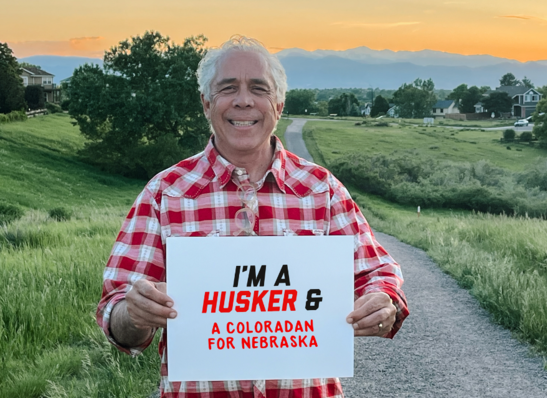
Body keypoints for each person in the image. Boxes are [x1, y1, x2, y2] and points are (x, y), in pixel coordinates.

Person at [96, 35, 409, 398]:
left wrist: (384, 301)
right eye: (228, 88)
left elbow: (378, 273)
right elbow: (116, 315)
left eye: (258, 88)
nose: (244, 100)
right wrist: (133, 314)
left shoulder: (322, 190)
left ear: (278, 104)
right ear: (206, 103)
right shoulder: (165, 193)